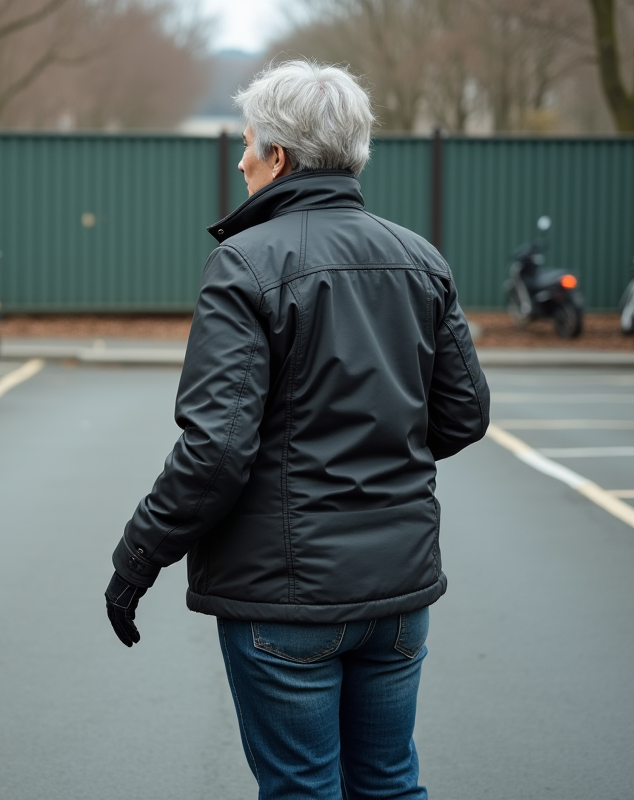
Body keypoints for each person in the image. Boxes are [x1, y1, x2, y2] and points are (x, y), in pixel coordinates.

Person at [105, 59, 490, 800]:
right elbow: (463, 415)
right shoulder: (421, 259)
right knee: (389, 783)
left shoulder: (244, 265)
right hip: (399, 596)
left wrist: (136, 560)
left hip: (285, 602)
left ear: (277, 158)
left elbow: (215, 450)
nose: (241, 161)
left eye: (248, 144)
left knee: (302, 790)